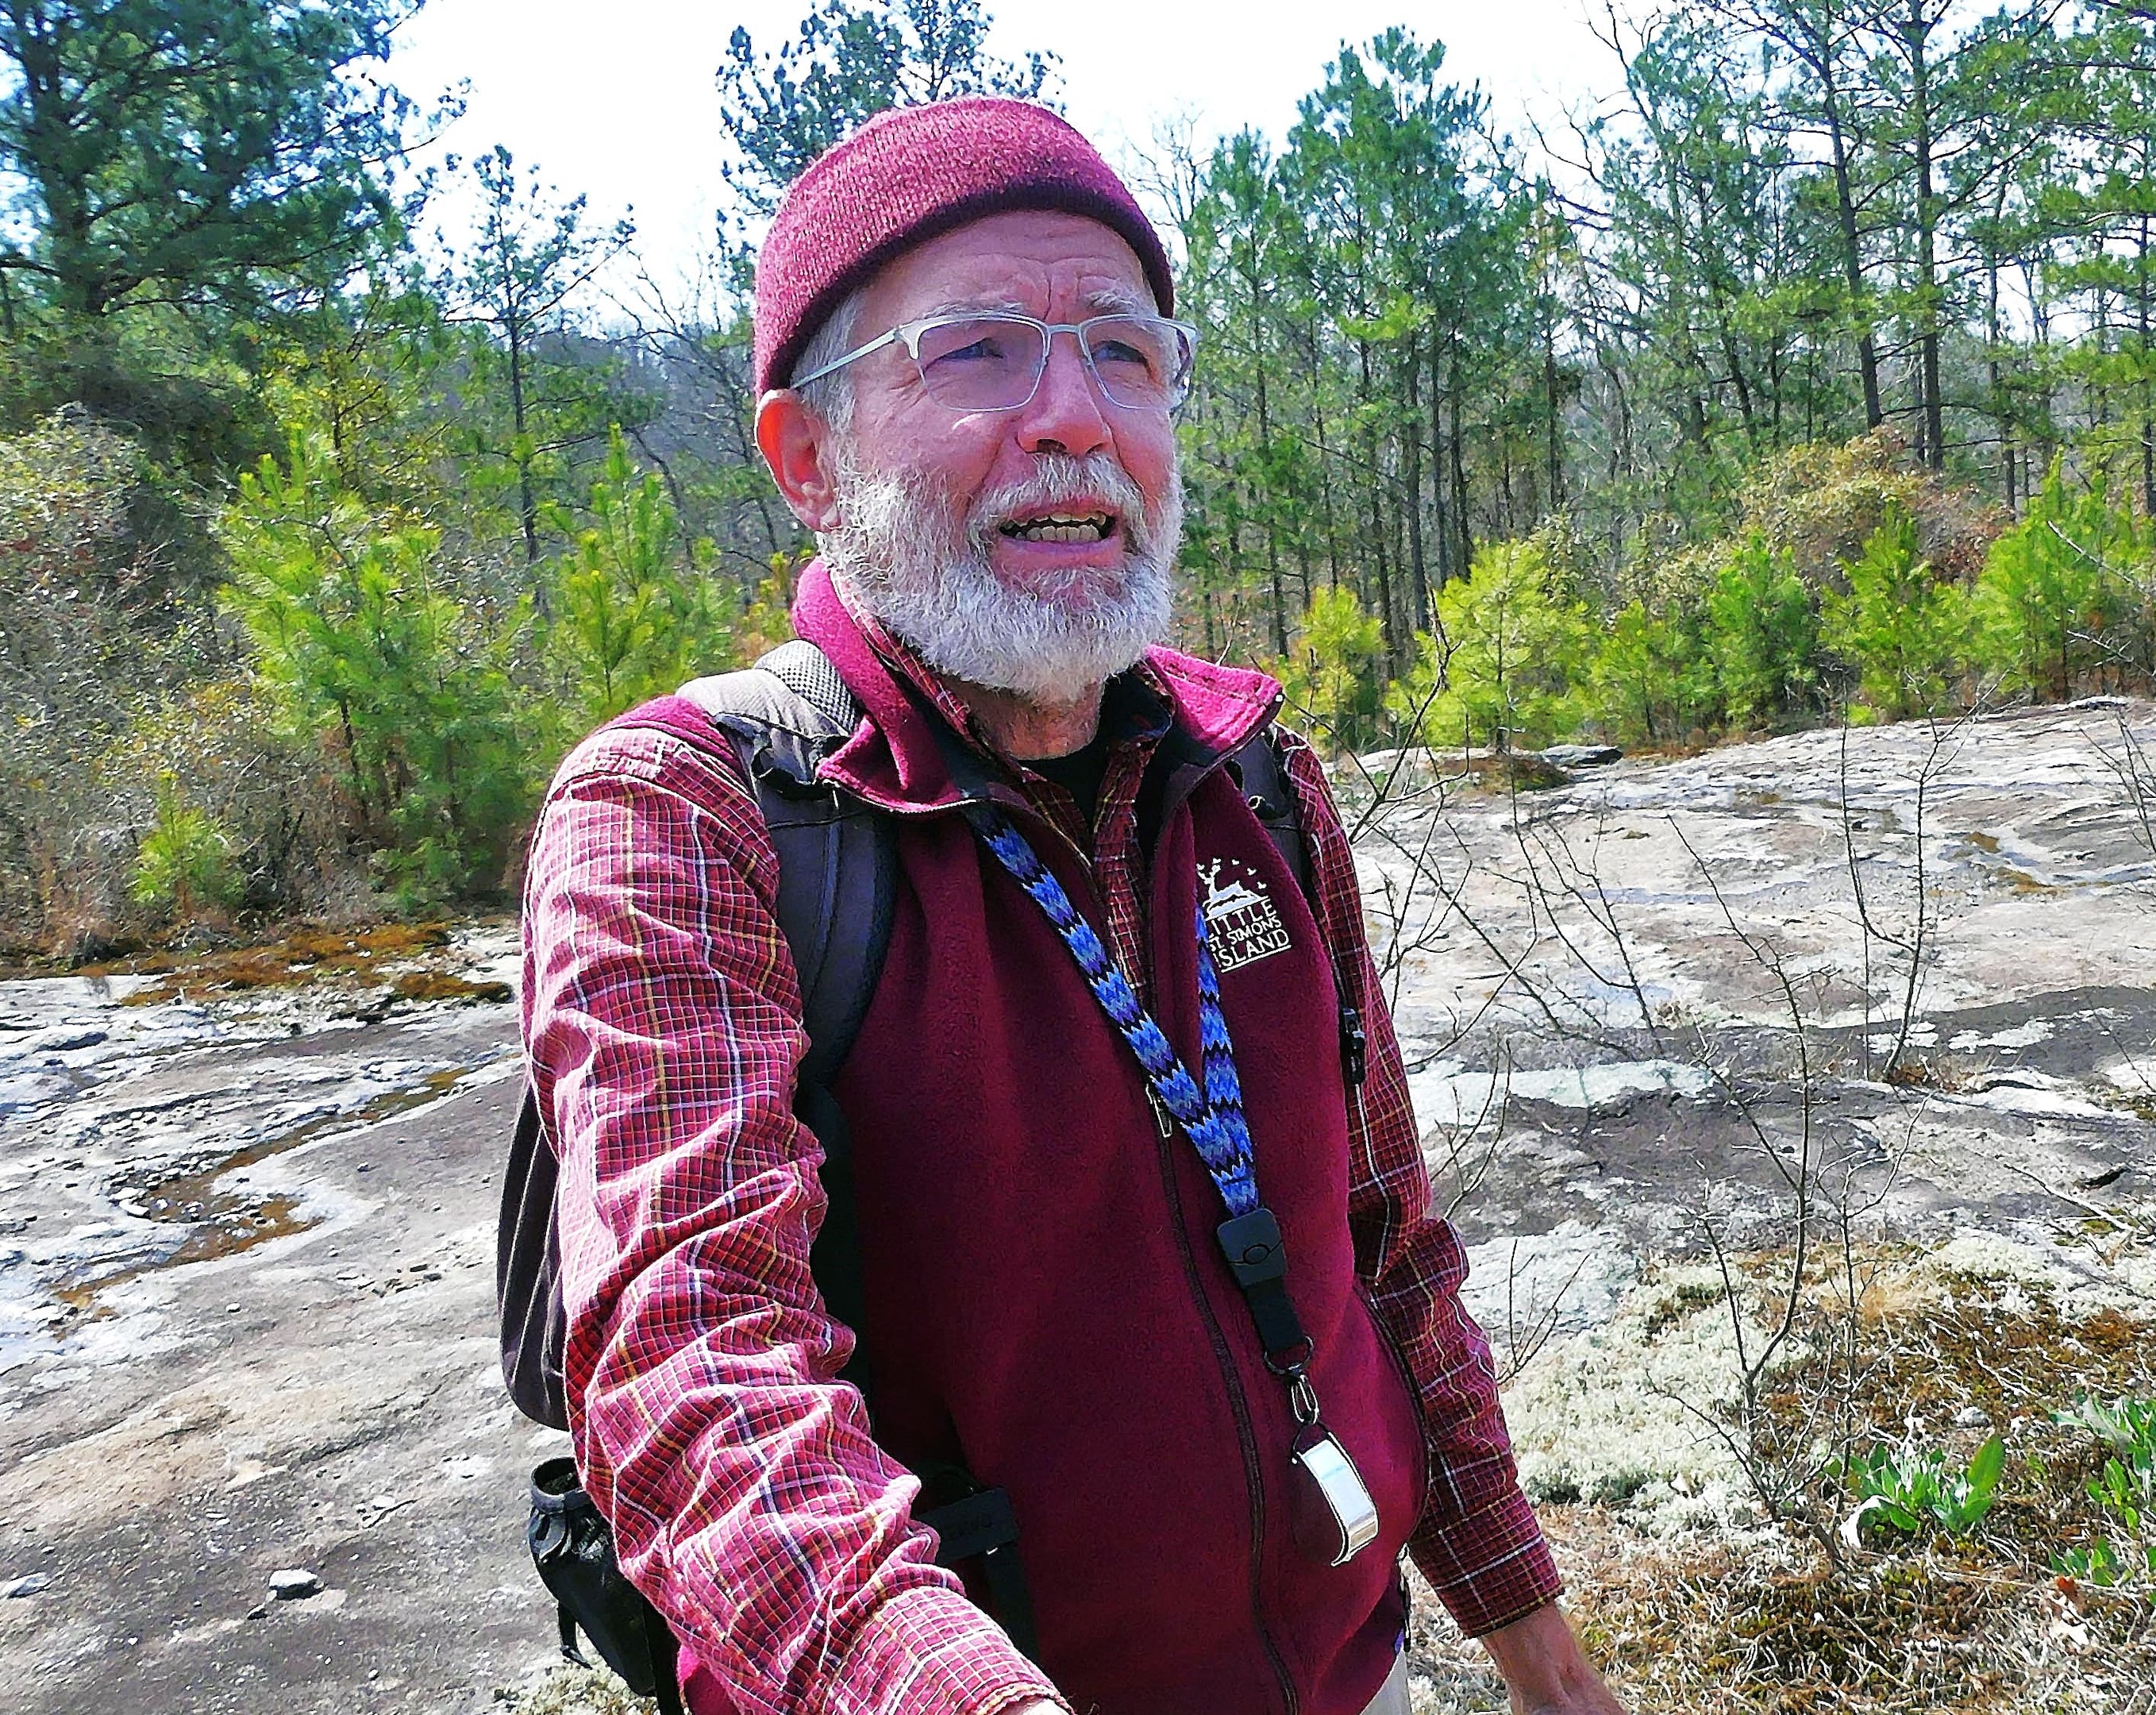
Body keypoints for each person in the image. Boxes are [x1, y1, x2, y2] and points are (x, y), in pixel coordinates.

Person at [519, 98, 1627, 1715]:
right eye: (975, 353)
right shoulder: (687, 817)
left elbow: (1387, 1253)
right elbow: (698, 1374)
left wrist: (1542, 1652)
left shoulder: (1257, 784)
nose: (1075, 419)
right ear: (806, 458)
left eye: (1123, 352)